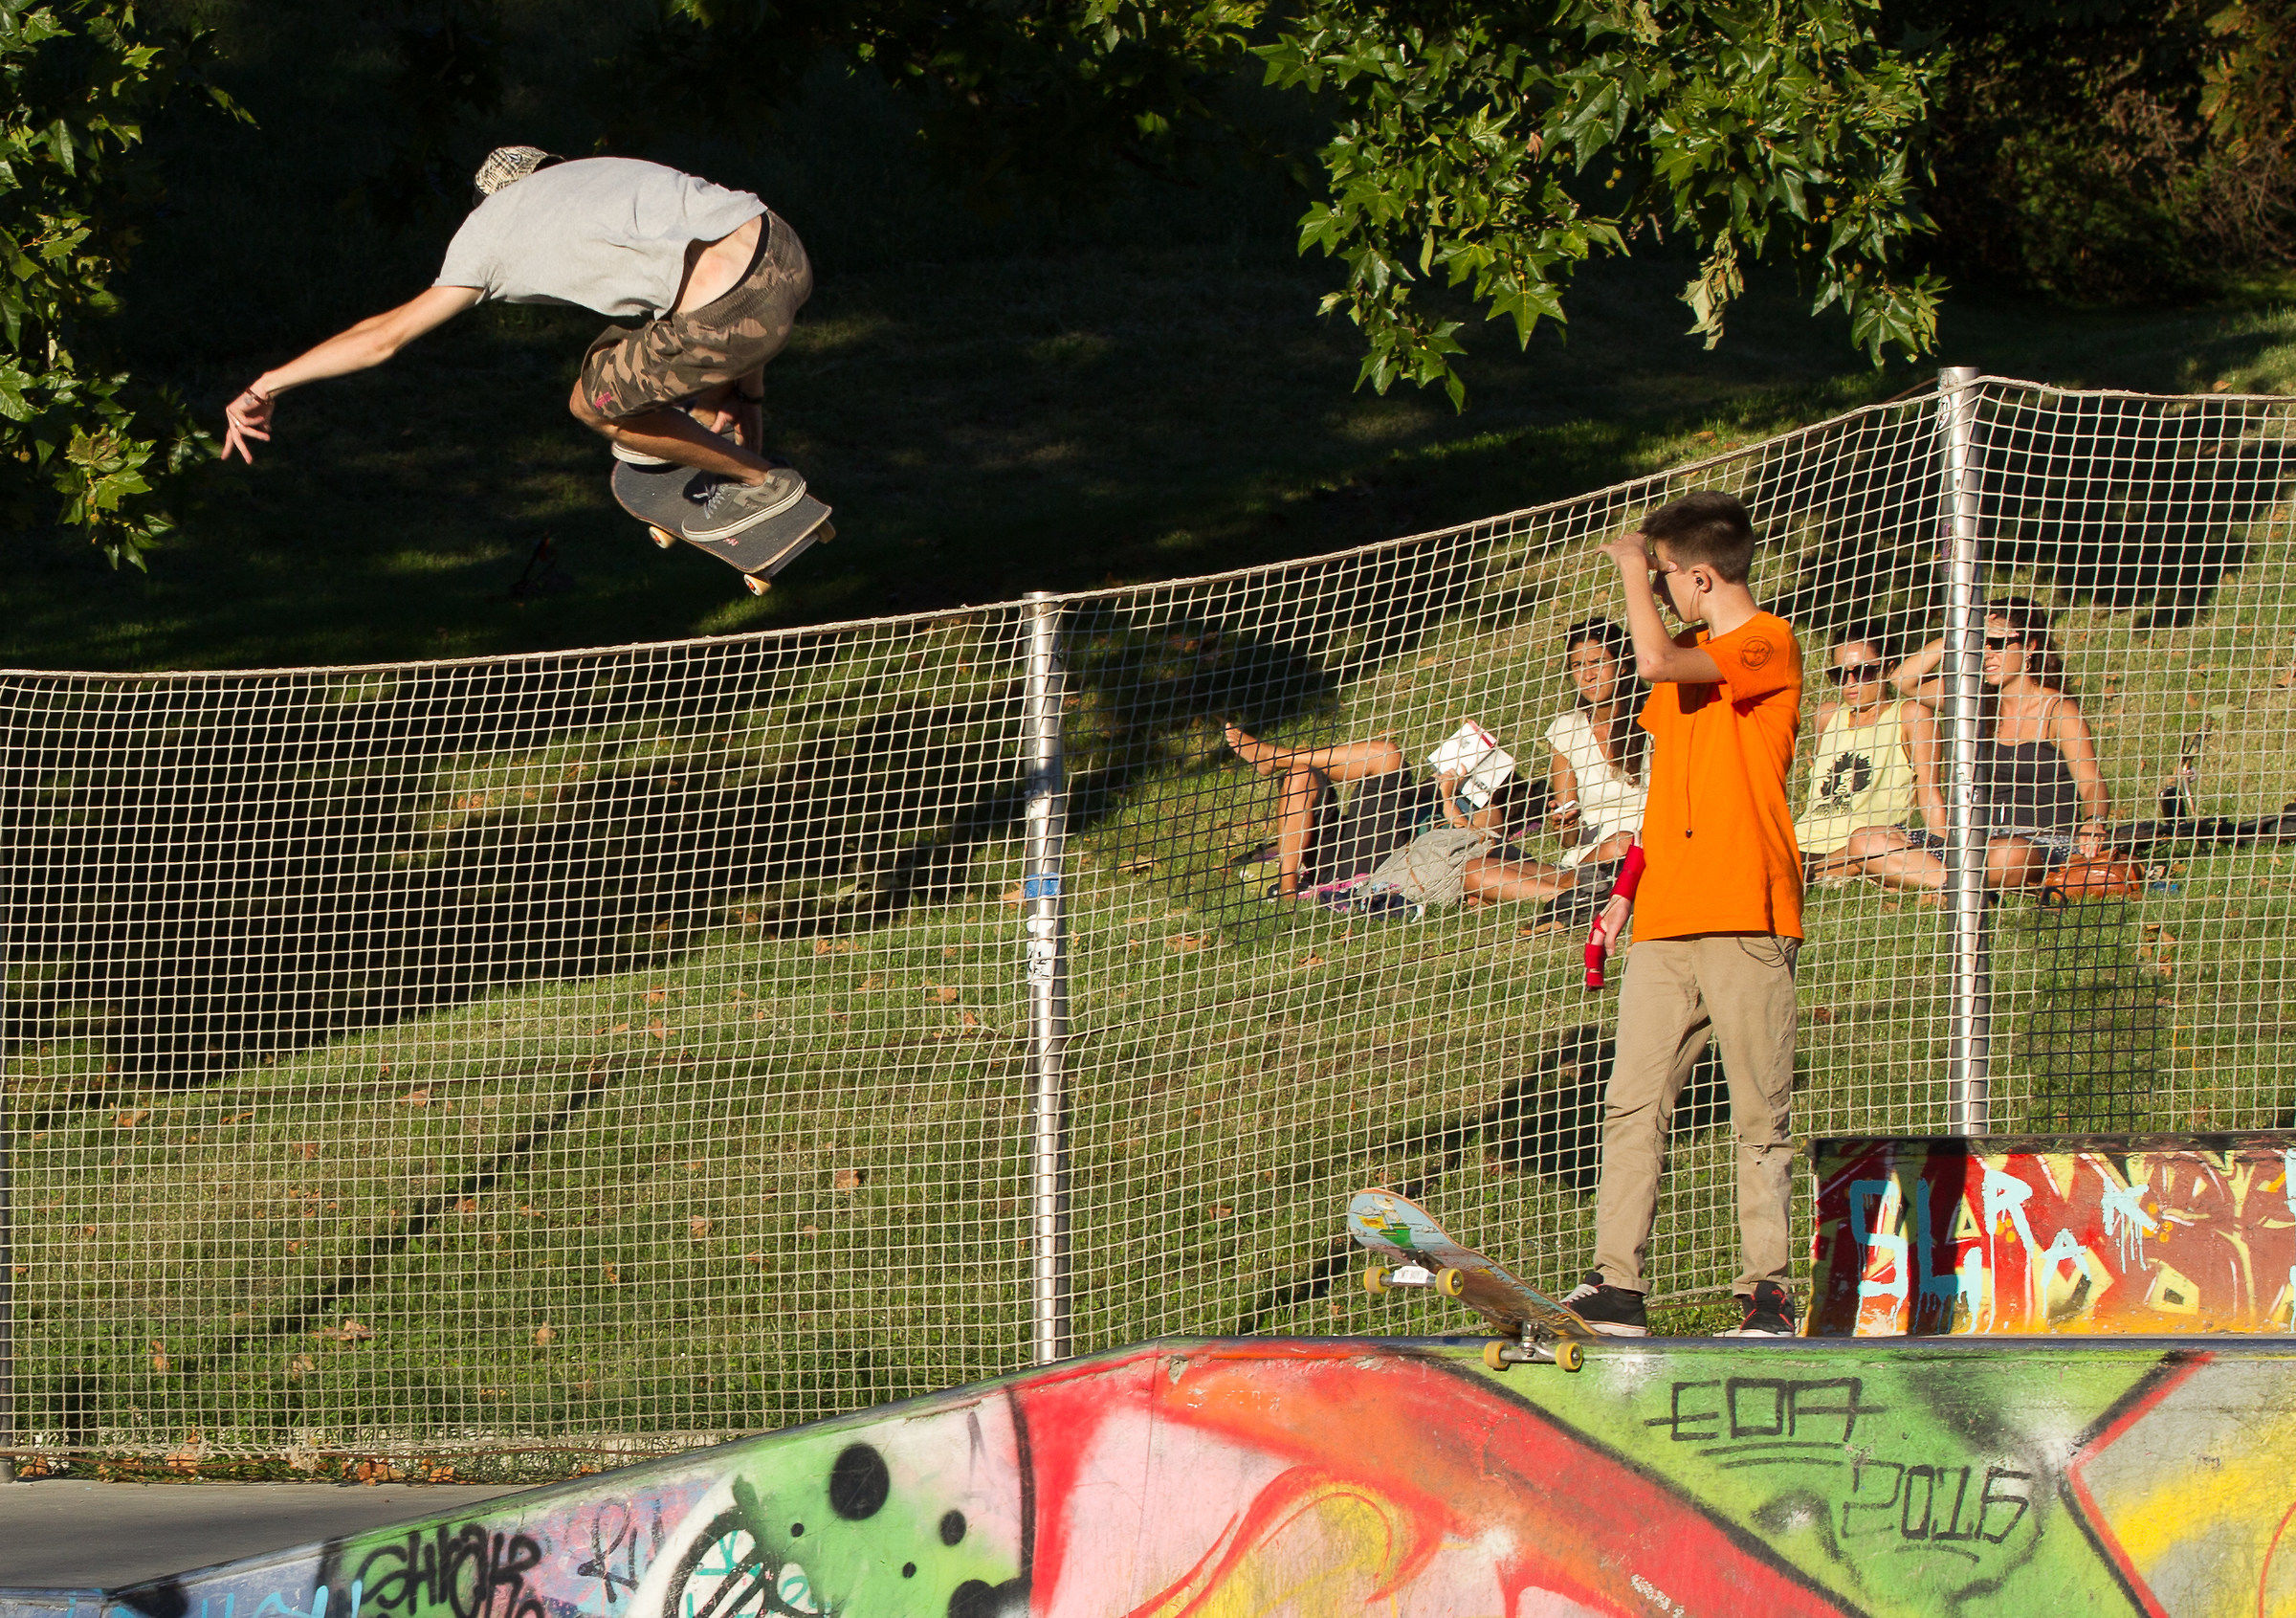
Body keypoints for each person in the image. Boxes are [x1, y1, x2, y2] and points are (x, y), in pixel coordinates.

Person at [221, 147, 812, 541]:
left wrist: (265, 384)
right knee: (632, 349)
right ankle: (715, 430)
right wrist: (748, 398)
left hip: (725, 314)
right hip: (784, 251)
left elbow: (383, 337)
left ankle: (762, 484)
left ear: (487, 201)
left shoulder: (489, 230)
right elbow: (738, 274)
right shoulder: (598, 170)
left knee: (594, 401)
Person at [1563, 489, 1805, 1340]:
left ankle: (1766, 1290)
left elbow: (1658, 661)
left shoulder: (1767, 640)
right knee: (1632, 1101)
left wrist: (1632, 564)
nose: (1658, 592)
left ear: (1702, 576)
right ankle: (1615, 1284)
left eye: (1666, 577)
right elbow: (1668, 789)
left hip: (1746, 912)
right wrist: (1625, 888)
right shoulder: (1689, 657)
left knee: (1757, 1115)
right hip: (1666, 919)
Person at [1841, 598, 2110, 891]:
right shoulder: (1973, 699)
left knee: (2010, 854)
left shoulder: (2058, 710)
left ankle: (1941, 882)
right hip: (1973, 840)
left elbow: (2091, 781)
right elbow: (1904, 681)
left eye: (1997, 643)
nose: (1988, 654)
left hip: (2035, 843)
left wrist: (2093, 820)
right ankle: (1956, 885)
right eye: (1982, 643)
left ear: (2030, 646)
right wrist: (1958, 634)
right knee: (1865, 840)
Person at [1455, 617, 1645, 906]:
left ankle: (1575, 891)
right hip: (1581, 863)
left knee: (1623, 841)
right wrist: (1565, 824)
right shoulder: (1566, 730)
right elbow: (1568, 841)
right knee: (1474, 871)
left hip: (1641, 848)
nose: (1588, 675)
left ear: (1622, 665)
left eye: (1597, 662)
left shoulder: (1655, 718)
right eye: (1578, 666)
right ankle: (1574, 894)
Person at [1795, 626, 1941, 885]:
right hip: (1801, 842)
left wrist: (1943, 848)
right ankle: (1817, 872)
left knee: (1865, 844)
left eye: (1864, 671)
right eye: (1840, 674)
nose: (1851, 683)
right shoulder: (1827, 715)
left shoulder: (1910, 716)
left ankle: (1948, 881)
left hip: (1864, 842)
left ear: (1886, 667)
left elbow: (1929, 790)